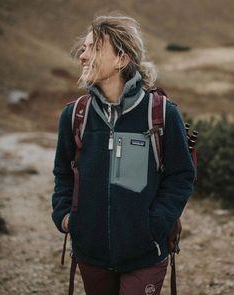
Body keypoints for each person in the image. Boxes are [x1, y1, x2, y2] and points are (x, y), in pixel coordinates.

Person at [52, 14, 195, 295]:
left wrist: (154, 226)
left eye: (93, 48)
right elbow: (63, 174)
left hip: (145, 255)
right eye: (84, 48)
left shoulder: (162, 114)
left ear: (121, 59)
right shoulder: (74, 116)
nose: (82, 56)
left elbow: (181, 176)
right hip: (90, 255)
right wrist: (66, 217)